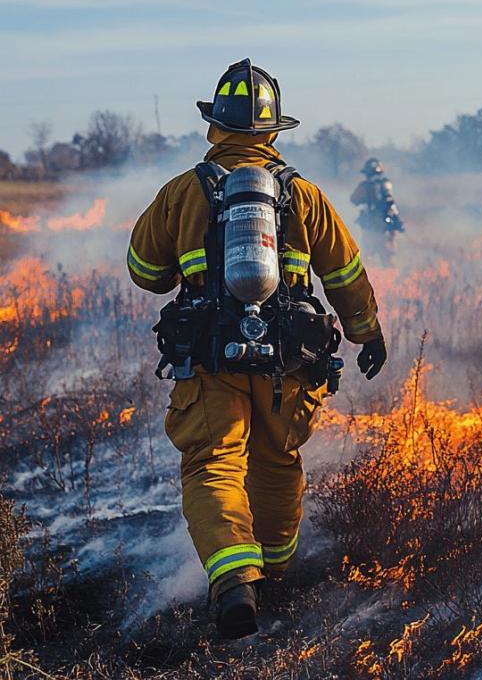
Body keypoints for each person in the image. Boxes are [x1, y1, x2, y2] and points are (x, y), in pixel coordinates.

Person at [127, 59, 388, 639]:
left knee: (214, 463)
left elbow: (145, 271)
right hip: (289, 364)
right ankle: (275, 570)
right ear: (273, 132)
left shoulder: (182, 191)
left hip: (212, 362)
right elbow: (344, 272)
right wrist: (367, 331)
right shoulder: (304, 194)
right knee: (277, 463)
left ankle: (234, 583)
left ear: (214, 125)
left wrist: (186, 256)